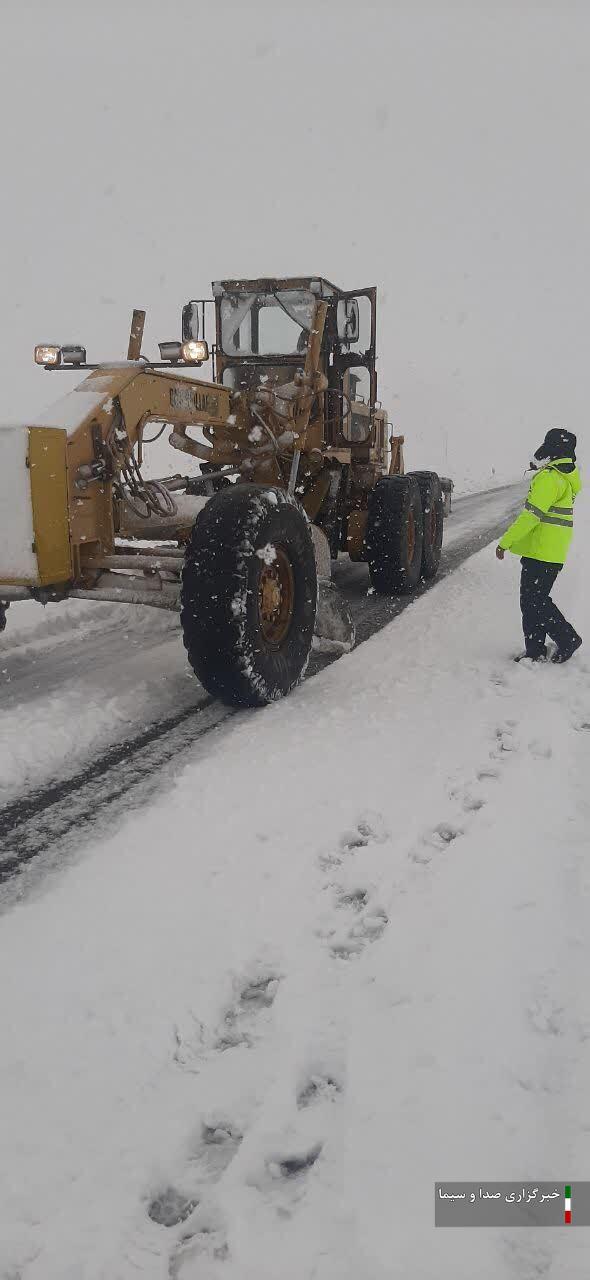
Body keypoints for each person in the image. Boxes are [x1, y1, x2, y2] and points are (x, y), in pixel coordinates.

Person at [496, 428, 582, 663]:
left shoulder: (550, 478)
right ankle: (535, 650)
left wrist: (505, 542)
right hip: (550, 551)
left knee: (535, 601)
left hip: (541, 551)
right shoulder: (566, 476)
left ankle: (567, 639)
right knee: (534, 600)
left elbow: (531, 516)